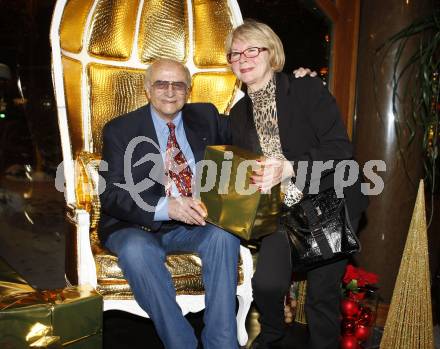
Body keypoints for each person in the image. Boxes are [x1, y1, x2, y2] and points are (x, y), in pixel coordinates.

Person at [225, 20, 369, 349]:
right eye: (235, 54)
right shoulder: (238, 114)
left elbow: (339, 149)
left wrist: (290, 167)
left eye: (251, 50)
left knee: (322, 298)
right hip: (282, 210)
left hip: (330, 199)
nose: (242, 58)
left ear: (271, 53)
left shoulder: (305, 88)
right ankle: (272, 335)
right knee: (267, 284)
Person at [98, 58, 240, 349]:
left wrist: (278, 89)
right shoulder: (120, 130)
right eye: (161, 83)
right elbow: (111, 193)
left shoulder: (206, 116)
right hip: (135, 226)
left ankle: (222, 343)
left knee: (225, 235)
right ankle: (180, 342)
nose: (170, 92)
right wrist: (166, 206)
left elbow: (247, 130)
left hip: (195, 223)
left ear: (189, 90)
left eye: (178, 85)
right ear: (148, 89)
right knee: (137, 250)